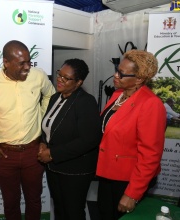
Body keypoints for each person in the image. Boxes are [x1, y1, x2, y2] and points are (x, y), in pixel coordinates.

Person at [0, 40, 55, 220]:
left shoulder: (38, 76)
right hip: (5, 154)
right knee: (11, 202)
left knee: (34, 200)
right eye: (21, 63)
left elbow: (51, 95)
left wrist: (42, 116)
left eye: (29, 61)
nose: (27, 67)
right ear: (6, 62)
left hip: (33, 152)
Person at [96, 50, 166, 220]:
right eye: (117, 69)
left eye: (121, 73)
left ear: (140, 79)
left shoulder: (151, 104)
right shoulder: (117, 94)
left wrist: (132, 194)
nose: (116, 75)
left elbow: (150, 155)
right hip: (107, 173)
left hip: (128, 180)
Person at [37, 59, 102, 220]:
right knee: (59, 210)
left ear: (79, 82)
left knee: (73, 212)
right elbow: (49, 127)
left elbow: (89, 140)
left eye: (66, 78)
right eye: (60, 74)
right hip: (54, 168)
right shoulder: (54, 98)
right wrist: (43, 143)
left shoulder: (85, 102)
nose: (60, 79)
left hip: (75, 170)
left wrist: (53, 153)